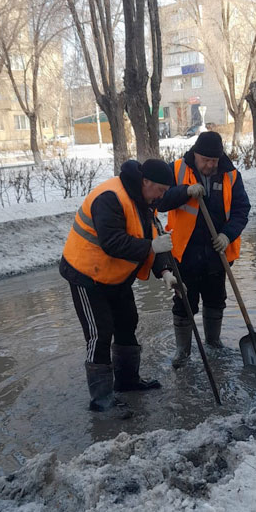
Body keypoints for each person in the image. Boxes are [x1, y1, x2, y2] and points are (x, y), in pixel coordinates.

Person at [60, 158, 178, 412]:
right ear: (145, 181)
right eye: (159, 190)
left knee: (127, 322)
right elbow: (112, 242)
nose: (161, 197)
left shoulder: (144, 199)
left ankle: (127, 381)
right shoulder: (111, 197)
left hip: (115, 274)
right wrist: (150, 247)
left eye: (165, 192)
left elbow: (152, 236)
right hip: (85, 273)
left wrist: (165, 270)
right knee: (99, 333)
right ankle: (101, 400)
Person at [158, 130, 251, 367]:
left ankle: (213, 343)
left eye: (214, 161)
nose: (210, 165)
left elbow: (242, 210)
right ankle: (183, 351)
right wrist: (185, 191)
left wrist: (227, 236)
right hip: (184, 252)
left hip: (216, 253)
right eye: (205, 160)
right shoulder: (176, 169)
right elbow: (160, 200)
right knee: (184, 301)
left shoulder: (230, 175)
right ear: (195, 155)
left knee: (216, 298)